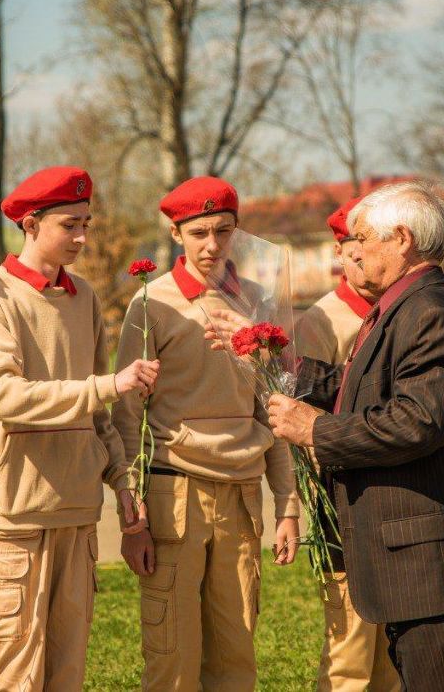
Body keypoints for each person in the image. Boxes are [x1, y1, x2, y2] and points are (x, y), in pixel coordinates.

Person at [266, 180, 444, 691]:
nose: (351, 250)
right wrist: (276, 362)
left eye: (362, 237)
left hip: (436, 569)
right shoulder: (406, 304)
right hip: (419, 566)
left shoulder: (431, 310)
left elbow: (420, 420)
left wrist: (316, 430)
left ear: (401, 238)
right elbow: (367, 389)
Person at [0, 166, 158, 691]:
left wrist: (124, 487)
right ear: (31, 224)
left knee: (67, 673)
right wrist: (108, 385)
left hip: (77, 513)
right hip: (14, 515)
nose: (82, 237)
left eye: (86, 223)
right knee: (16, 675)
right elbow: (5, 397)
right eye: (70, 225)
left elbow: (99, 417)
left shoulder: (85, 297)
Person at [113, 175, 301, 692]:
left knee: (236, 657)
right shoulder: (151, 306)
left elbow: (275, 411)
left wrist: (286, 503)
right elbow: (127, 417)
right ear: (176, 233)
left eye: (223, 230)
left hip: (243, 498)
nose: (213, 245)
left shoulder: (259, 302)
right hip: (175, 496)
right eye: (198, 233)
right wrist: (132, 518)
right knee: (172, 659)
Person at [296, 198, 400, 692]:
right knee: (351, 649)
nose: (361, 264)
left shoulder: (397, 312)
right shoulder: (321, 321)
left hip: (390, 494)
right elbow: (305, 421)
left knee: (391, 646)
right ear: (340, 252)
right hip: (341, 500)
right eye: (352, 252)